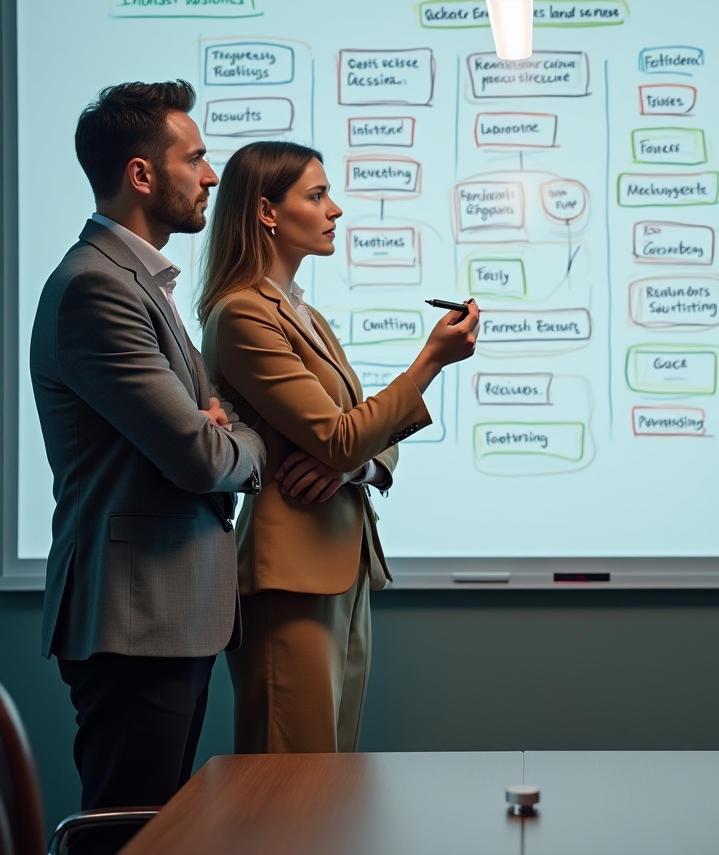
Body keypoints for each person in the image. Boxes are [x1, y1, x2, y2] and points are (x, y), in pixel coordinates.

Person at [31, 81, 266, 852]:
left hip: (169, 612)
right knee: (130, 832)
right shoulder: (97, 288)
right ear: (141, 174)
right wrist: (246, 443)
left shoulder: (142, 283)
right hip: (136, 617)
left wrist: (218, 423)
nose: (210, 175)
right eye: (195, 157)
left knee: (157, 830)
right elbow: (202, 454)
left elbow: (208, 417)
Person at [197, 140, 479, 754]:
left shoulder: (305, 315)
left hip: (338, 565)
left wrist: (354, 468)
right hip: (289, 575)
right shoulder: (243, 315)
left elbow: (359, 438)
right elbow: (340, 433)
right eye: (317, 195)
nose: (336, 211)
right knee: (288, 784)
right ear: (267, 212)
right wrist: (430, 361)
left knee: (327, 776)